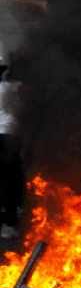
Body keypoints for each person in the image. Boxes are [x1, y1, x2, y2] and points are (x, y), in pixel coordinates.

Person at [0, 66, 22, 240]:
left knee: (5, 180)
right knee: (11, 181)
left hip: (2, 135)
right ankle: (8, 224)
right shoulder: (15, 87)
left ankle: (7, 221)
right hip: (10, 136)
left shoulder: (1, 87)